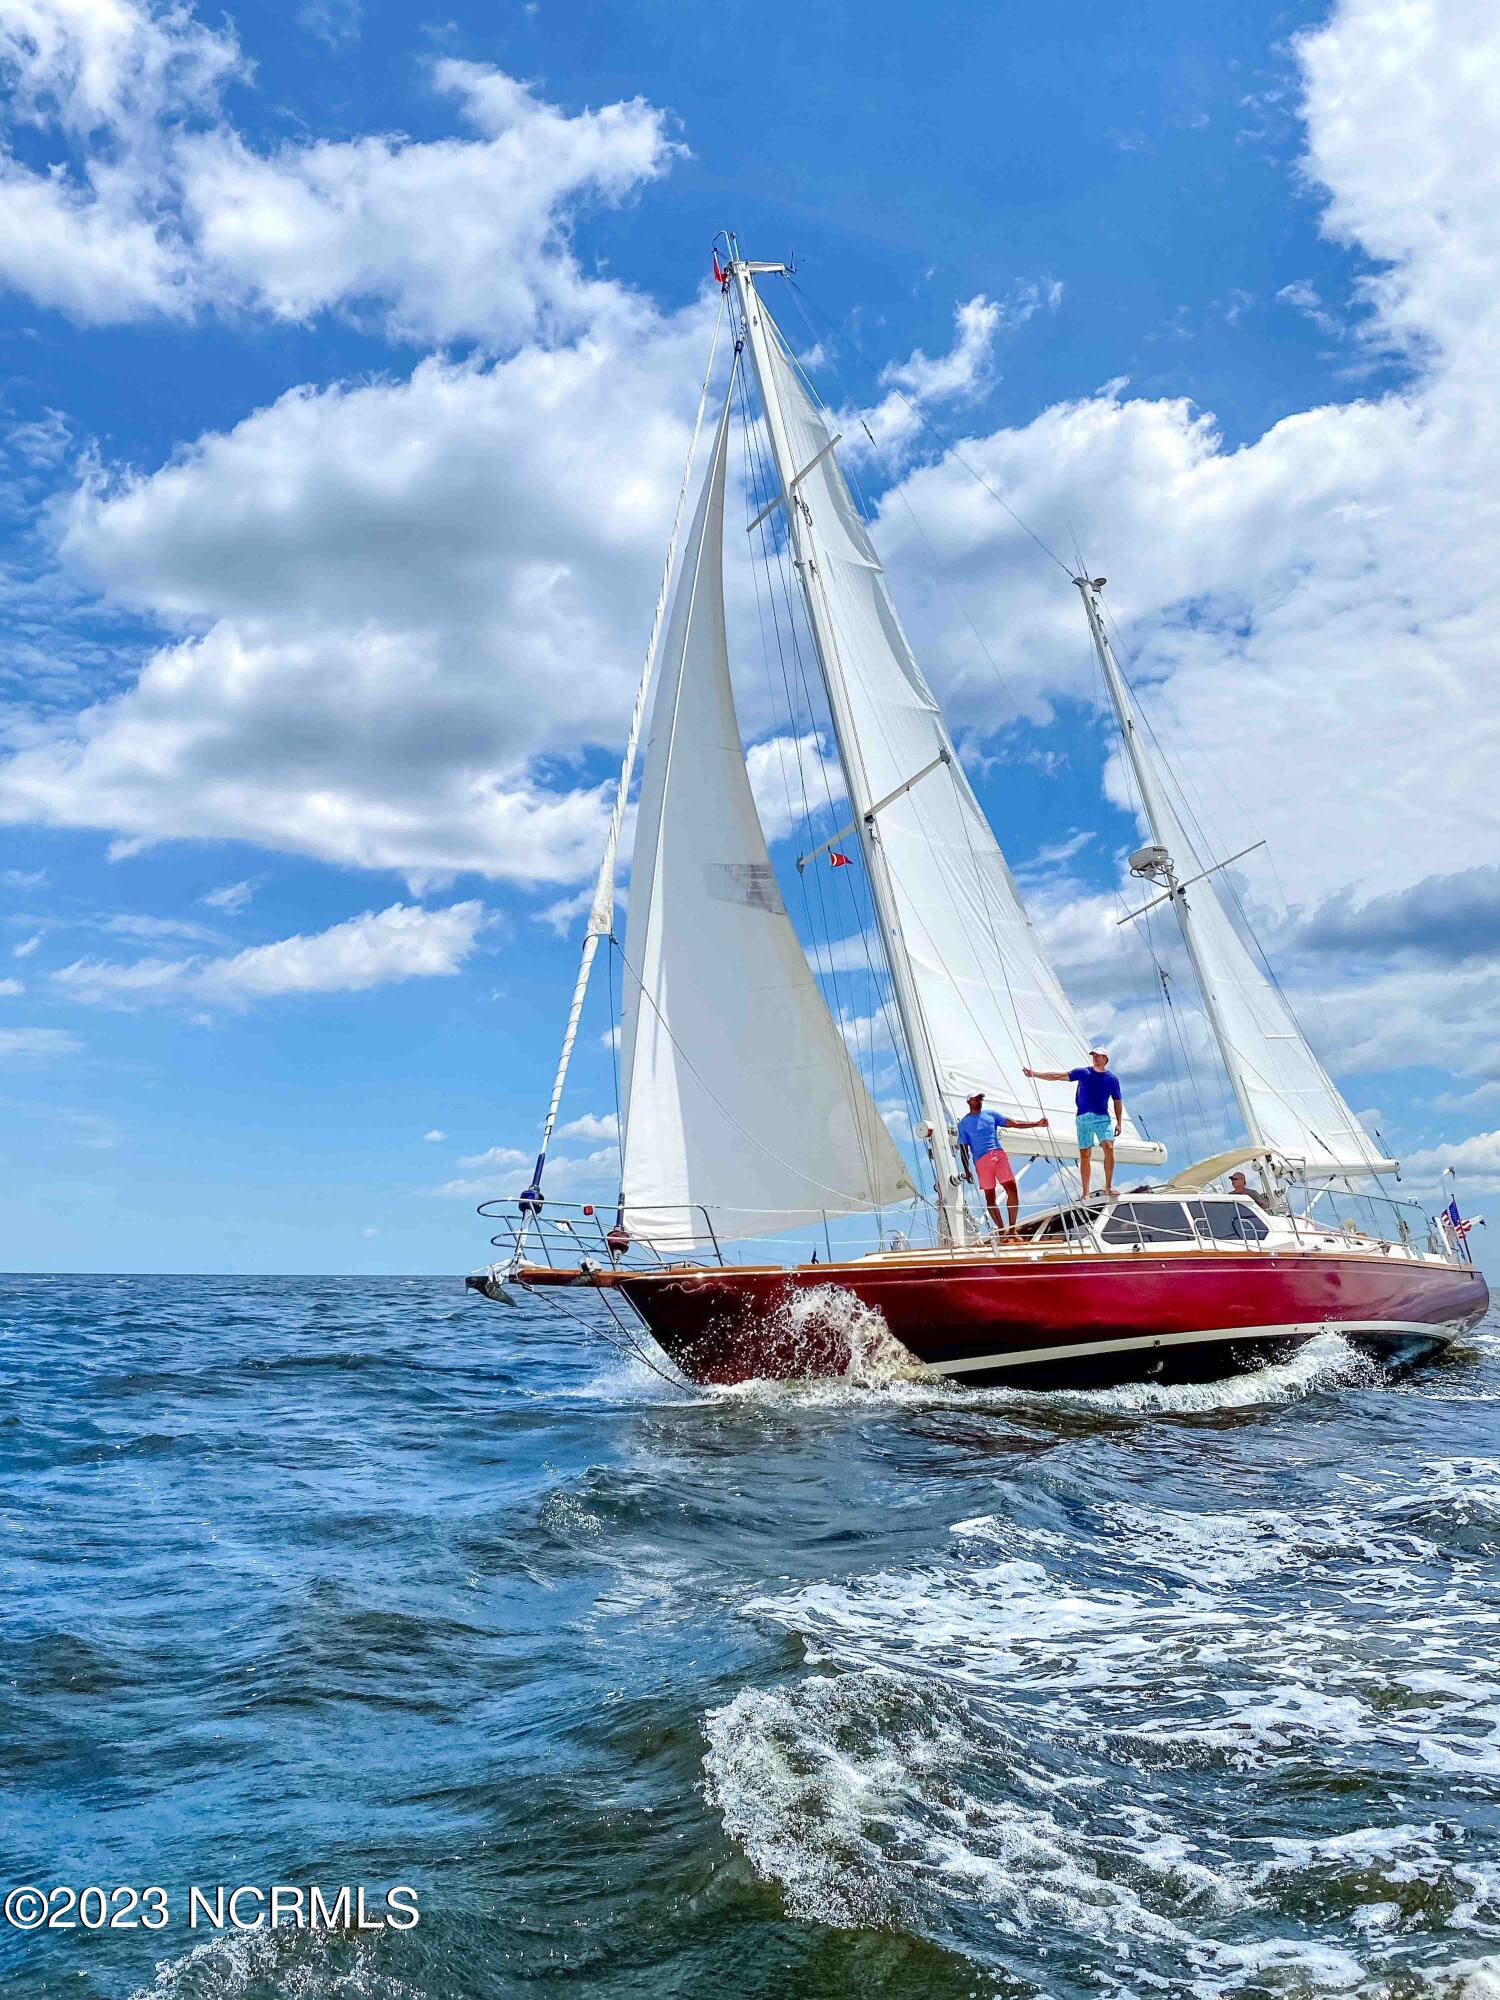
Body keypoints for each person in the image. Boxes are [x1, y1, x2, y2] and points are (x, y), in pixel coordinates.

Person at [1023, 1049, 1123, 1198]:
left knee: (1108, 1147)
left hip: (1102, 1118)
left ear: (1105, 1058)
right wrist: (1035, 1074)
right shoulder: (1083, 1073)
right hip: (1083, 1118)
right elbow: (1057, 1076)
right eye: (1093, 1055)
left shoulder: (1112, 1080)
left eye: (1097, 1055)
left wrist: (1119, 1123)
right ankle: (1085, 1193)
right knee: (1085, 1155)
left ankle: (1108, 1187)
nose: (1094, 1057)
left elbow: (1117, 1101)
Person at [955, 1091, 1049, 1238]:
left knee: (1012, 1190)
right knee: (990, 1197)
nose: (980, 1101)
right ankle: (1002, 1231)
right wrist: (967, 1171)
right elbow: (963, 1148)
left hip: (998, 1155)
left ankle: (1012, 1229)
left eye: (981, 1098)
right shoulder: (963, 1124)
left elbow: (1014, 1123)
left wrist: (1036, 1124)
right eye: (976, 1099)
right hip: (981, 1162)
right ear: (969, 1102)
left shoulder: (991, 1115)